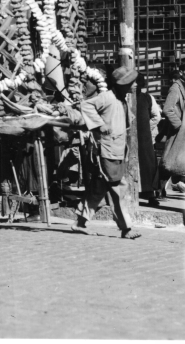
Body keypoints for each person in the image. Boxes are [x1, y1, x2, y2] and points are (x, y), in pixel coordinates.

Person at [65, 66, 141, 239]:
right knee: (118, 188)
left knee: (99, 188)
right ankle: (126, 228)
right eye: (131, 82)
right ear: (123, 84)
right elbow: (87, 105)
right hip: (107, 150)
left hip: (117, 150)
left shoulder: (122, 99)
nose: (135, 85)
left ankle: (80, 222)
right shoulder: (107, 97)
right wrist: (99, 125)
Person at [161, 60, 185, 194]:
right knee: (169, 161)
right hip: (180, 130)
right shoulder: (176, 87)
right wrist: (178, 125)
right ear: (181, 72)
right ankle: (159, 188)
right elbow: (167, 109)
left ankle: (177, 184)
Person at [135, 73, 162, 205]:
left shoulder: (147, 98)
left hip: (144, 137)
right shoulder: (124, 98)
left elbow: (155, 116)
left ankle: (150, 194)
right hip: (136, 136)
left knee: (147, 165)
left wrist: (146, 127)